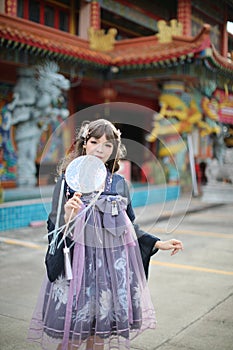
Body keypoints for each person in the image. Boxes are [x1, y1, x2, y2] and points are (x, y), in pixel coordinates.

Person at [28, 119, 183, 350]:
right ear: (84, 145)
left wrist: (158, 243)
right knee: (71, 339)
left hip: (111, 271)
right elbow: (55, 228)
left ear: (114, 151)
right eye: (94, 142)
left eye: (108, 145)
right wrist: (68, 218)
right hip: (78, 271)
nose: (100, 149)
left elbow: (129, 226)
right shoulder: (68, 183)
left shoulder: (119, 184)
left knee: (99, 338)